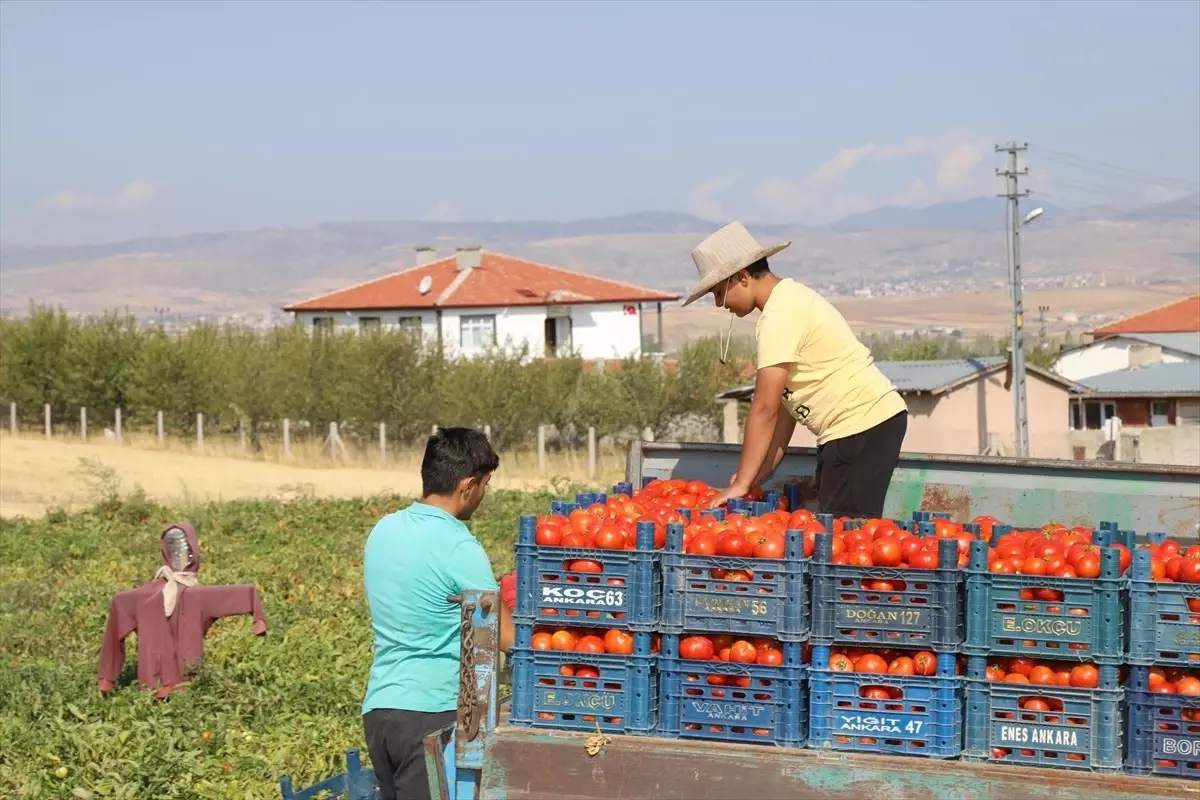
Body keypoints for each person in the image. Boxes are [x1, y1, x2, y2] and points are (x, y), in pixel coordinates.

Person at [683, 221, 908, 519]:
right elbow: (787, 408)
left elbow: (765, 408)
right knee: (840, 530)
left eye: (718, 293)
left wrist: (740, 484)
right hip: (856, 429)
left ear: (741, 278)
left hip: (860, 426)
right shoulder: (788, 301)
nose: (719, 304)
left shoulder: (779, 316)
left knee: (846, 539)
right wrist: (760, 473)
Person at [361, 427, 515, 800]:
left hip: (380, 711)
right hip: (430, 716)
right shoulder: (457, 544)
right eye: (484, 485)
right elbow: (507, 637)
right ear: (467, 486)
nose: (482, 495)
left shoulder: (384, 529)